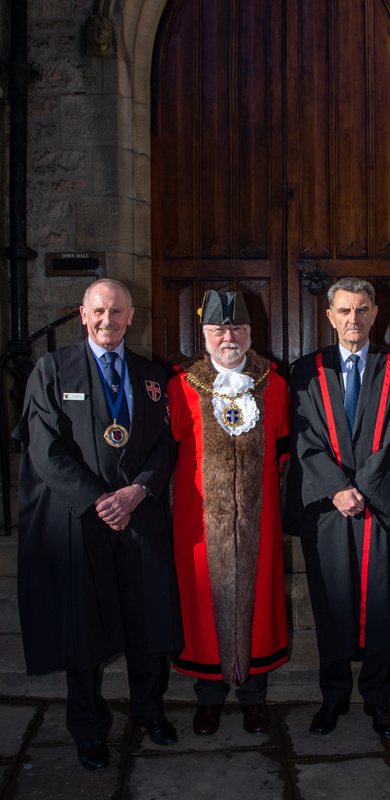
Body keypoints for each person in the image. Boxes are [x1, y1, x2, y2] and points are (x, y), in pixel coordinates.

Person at [14, 279, 183, 771]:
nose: (108, 320)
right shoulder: (53, 369)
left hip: (139, 516)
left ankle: (149, 711)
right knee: (83, 626)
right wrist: (98, 499)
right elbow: (44, 446)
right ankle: (88, 729)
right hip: (82, 521)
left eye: (117, 311)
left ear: (131, 317)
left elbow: (166, 443)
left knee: (147, 621)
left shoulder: (150, 375)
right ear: (83, 315)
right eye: (99, 311)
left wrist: (138, 490)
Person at [285, 277, 390, 736]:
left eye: (362, 309)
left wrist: (361, 488)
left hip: (379, 506)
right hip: (328, 509)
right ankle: (333, 696)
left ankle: (378, 699)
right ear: (330, 316)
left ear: (375, 313)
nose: (354, 318)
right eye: (344, 310)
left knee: (381, 603)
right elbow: (303, 438)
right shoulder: (306, 371)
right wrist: (336, 488)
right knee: (330, 602)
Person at [167, 290, 290, 735]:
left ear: (251, 333)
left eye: (237, 328)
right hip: (199, 523)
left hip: (260, 520)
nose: (229, 337)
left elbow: (284, 451)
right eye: (219, 329)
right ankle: (209, 699)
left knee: (259, 606)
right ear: (204, 335)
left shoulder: (275, 385)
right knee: (202, 607)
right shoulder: (181, 386)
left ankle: (254, 699)